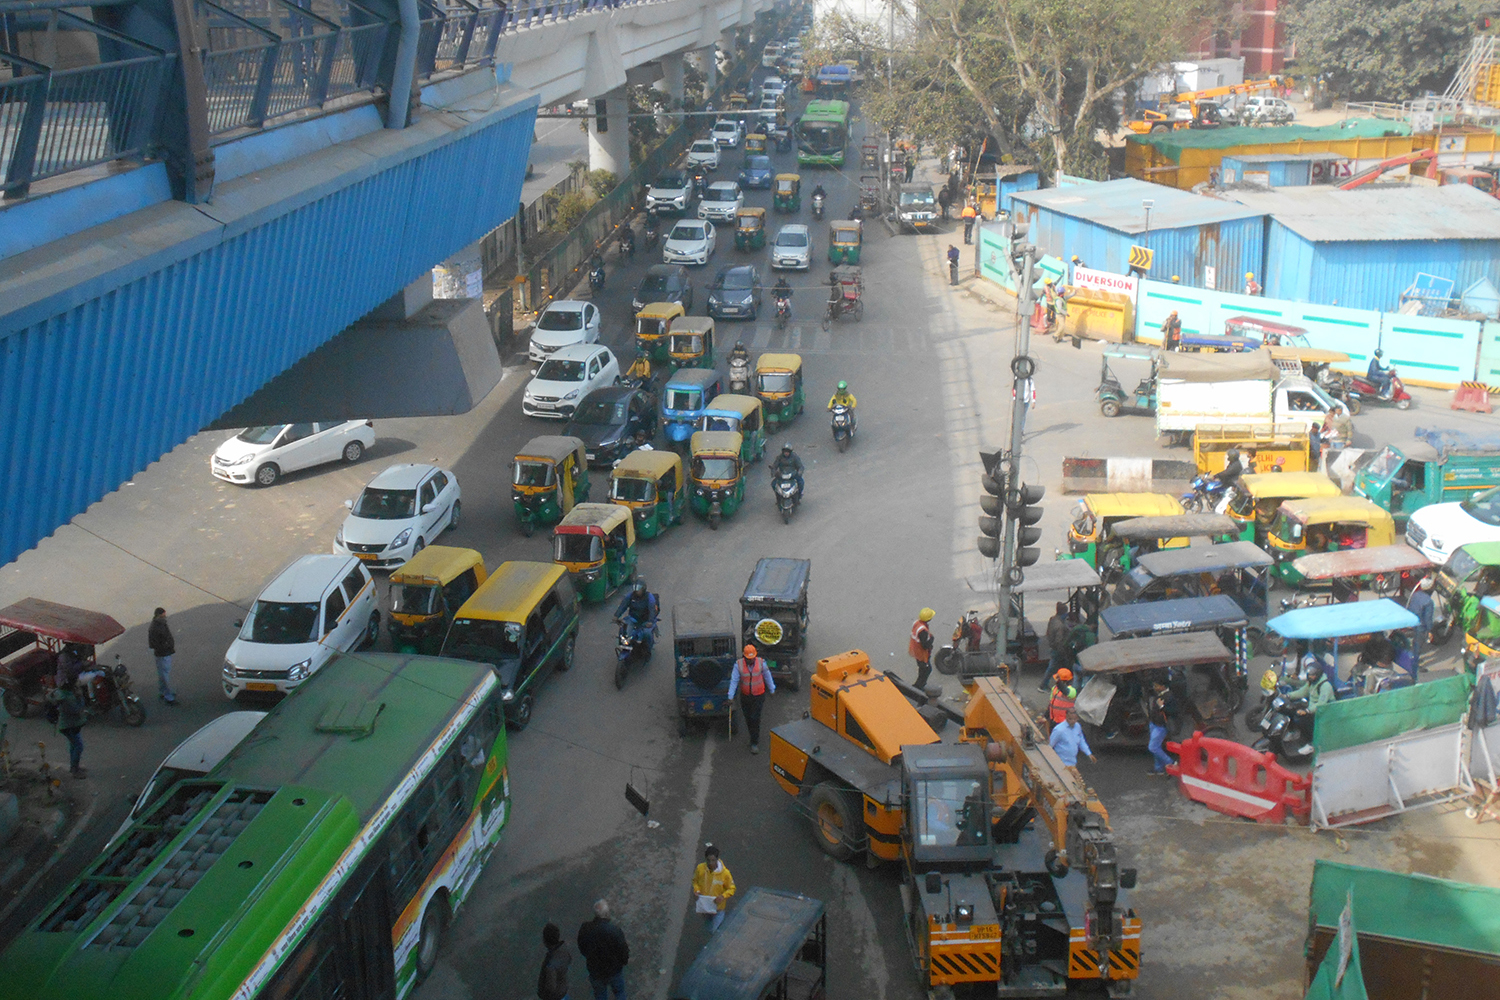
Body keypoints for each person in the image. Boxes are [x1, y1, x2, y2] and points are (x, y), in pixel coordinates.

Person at [577, 900, 629, 1000]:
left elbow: (582, 946)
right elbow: (623, 950)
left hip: (595, 971)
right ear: (606, 913)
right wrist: (623, 962)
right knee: (620, 993)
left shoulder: (585, 928)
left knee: (600, 995)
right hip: (614, 970)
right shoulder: (614, 931)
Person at [728, 643, 775, 752]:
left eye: (752, 658)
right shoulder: (738, 665)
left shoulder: (761, 663)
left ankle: (754, 742)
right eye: (748, 659)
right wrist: (730, 696)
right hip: (745, 697)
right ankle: (752, 735)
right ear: (744, 657)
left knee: (755, 718)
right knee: (748, 718)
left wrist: (772, 689)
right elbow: (734, 680)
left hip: (758, 696)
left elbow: (768, 676)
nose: (751, 661)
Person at [691, 845, 736, 932]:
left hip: (718, 908)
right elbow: (695, 881)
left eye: (713, 860)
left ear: (717, 859)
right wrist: (696, 890)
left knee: (715, 930)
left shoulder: (725, 874)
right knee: (708, 926)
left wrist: (722, 896)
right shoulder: (700, 869)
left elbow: (732, 888)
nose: (710, 863)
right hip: (705, 907)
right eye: (708, 860)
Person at [50, 681, 87, 779]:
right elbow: (78, 709)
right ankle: (75, 770)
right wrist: (80, 697)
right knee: (78, 746)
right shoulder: (68, 698)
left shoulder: (61, 693)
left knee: (73, 746)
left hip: (67, 725)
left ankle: (74, 766)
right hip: (70, 726)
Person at [614, 581, 660, 654]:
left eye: (639, 589)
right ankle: (623, 645)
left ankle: (648, 649)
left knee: (647, 633)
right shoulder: (630, 596)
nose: (636, 591)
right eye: (635, 589)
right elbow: (623, 606)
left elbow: (652, 610)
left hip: (646, 621)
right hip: (633, 619)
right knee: (623, 630)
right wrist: (616, 616)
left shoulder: (649, 597)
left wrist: (650, 621)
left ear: (643, 589)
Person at [148, 606, 178, 705]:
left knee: (162, 674)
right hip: (163, 653)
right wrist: (165, 646)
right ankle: (168, 696)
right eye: (163, 615)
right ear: (159, 615)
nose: (165, 617)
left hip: (164, 652)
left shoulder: (159, 624)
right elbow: (153, 643)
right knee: (165, 675)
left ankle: (163, 691)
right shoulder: (157, 627)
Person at [1406, 576, 1436, 671]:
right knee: (1418, 646)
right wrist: (1430, 630)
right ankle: (1415, 666)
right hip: (1421, 626)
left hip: (1413, 623)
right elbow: (1428, 618)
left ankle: (1414, 659)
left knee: (1414, 643)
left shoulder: (1416, 595)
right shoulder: (1428, 602)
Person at [1041, 602, 1071, 692]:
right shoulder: (1060, 626)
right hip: (1058, 650)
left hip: (1052, 647)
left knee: (1054, 667)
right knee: (1054, 668)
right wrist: (1063, 652)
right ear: (1064, 613)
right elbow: (1059, 641)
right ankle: (1043, 685)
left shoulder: (1053, 619)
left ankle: (1046, 685)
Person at [538, 922, 573, 1000]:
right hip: (563, 993)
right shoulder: (563, 952)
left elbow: (550, 987)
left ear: (545, 940)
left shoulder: (551, 963)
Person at [1146, 682, 1174, 776]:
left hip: (1161, 726)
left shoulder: (1170, 696)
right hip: (1154, 723)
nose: (1155, 687)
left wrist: (1161, 706)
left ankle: (1171, 763)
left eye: (1157, 685)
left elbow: (1172, 712)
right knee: (1156, 746)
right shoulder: (1158, 694)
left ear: (1163, 686)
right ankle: (1159, 768)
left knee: (1153, 747)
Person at [910, 607, 936, 689]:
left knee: (923, 669)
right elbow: (925, 645)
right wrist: (931, 639)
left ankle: (919, 685)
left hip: (916, 651)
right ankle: (918, 687)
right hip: (922, 654)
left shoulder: (917, 623)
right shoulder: (923, 631)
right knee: (926, 670)